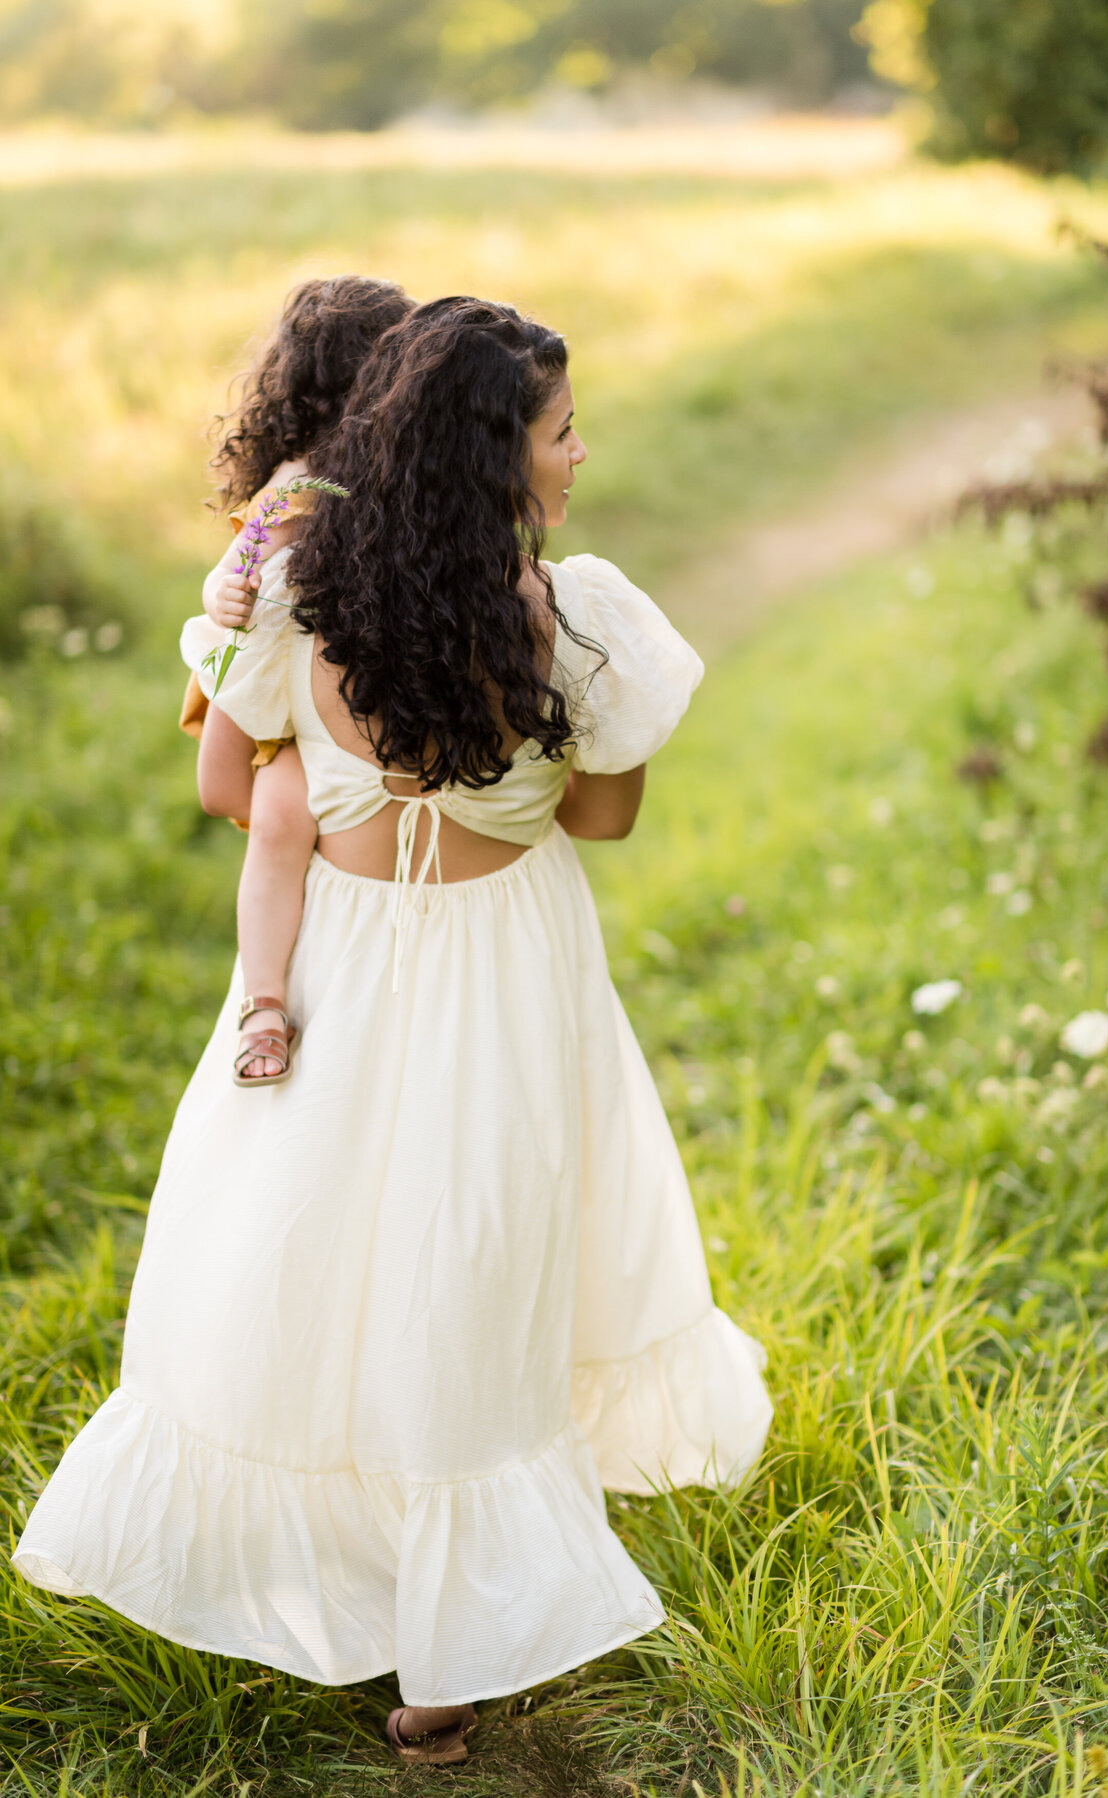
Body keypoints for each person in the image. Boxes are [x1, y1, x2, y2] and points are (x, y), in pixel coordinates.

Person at [13, 296, 772, 1768]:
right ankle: (447, 1653)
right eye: (562, 432)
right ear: (497, 458)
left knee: (314, 1241)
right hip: (509, 966)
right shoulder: (578, 618)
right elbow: (602, 815)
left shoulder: (300, 597)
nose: (581, 449)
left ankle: (348, 1563)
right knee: (473, 1253)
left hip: (344, 962)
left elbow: (235, 781)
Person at [184, 275, 415, 1085]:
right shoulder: (296, 482)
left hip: (346, 685)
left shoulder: (395, 471)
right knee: (282, 816)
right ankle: (268, 1005)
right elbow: (230, 574)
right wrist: (226, 597)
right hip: (277, 697)